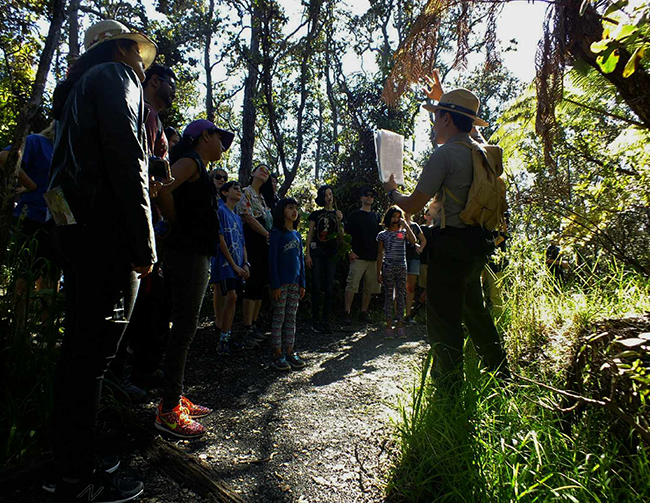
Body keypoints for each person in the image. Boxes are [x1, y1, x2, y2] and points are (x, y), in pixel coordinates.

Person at [47, 19, 158, 502]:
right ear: (121, 49)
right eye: (136, 51)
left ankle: (70, 462)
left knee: (78, 356)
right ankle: (78, 481)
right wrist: (145, 244)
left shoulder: (74, 91)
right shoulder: (116, 79)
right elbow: (127, 158)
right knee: (92, 359)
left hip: (76, 233)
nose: (142, 62)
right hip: (105, 236)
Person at [381, 83, 509, 388]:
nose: (433, 123)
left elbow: (412, 204)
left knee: (443, 322)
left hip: (450, 246)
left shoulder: (445, 155)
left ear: (448, 120)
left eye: (437, 116)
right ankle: (501, 375)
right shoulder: (481, 152)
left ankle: (448, 391)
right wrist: (443, 100)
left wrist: (391, 191)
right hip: (478, 244)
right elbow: (468, 131)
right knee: (474, 312)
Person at [155, 119, 234, 438]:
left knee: (183, 327)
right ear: (204, 136)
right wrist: (177, 223)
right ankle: (168, 409)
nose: (223, 146)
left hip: (193, 252)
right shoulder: (189, 161)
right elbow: (160, 191)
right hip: (187, 252)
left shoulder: (196, 163)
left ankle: (174, 396)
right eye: (220, 139)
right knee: (185, 328)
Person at [1, 122, 59, 328]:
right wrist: (30, 185)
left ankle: (45, 329)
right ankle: (18, 328)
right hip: (31, 217)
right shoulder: (38, 142)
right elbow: (6, 156)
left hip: (57, 220)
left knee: (51, 276)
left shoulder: (67, 149)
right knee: (27, 273)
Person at [210, 181, 250, 355]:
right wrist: (233, 265)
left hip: (239, 265)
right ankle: (222, 339)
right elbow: (220, 240)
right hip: (226, 264)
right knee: (231, 296)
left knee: (234, 299)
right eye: (235, 188)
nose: (238, 191)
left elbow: (242, 243)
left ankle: (227, 336)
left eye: (240, 189)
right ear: (225, 192)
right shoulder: (220, 212)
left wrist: (246, 264)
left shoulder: (238, 218)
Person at [236, 164, 273, 347]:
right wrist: (267, 234)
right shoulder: (245, 192)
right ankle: (247, 327)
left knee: (259, 284)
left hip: (264, 245)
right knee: (251, 284)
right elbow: (248, 218)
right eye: (261, 169)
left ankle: (256, 323)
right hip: (251, 241)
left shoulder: (263, 198)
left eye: (267, 171)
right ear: (252, 173)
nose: (264, 172)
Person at [268, 198, 306, 370]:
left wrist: (302, 283)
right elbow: (272, 261)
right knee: (279, 317)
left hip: (294, 284)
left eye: (296, 208)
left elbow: (301, 262)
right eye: (290, 207)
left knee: (291, 317)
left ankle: (290, 351)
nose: (294, 211)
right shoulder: (277, 234)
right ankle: (277, 353)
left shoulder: (297, 235)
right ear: (282, 210)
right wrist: (275, 285)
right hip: (281, 284)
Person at [306, 185, 343, 334]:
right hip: (317, 252)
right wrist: (307, 253)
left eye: (331, 194)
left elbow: (341, 237)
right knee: (316, 285)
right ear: (322, 197)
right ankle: (315, 320)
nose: (330, 197)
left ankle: (325, 320)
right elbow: (310, 234)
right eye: (327, 194)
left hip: (331, 253)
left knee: (328, 287)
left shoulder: (337, 214)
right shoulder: (315, 214)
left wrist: (340, 220)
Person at [376, 206, 417, 339]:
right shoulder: (383, 234)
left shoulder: (403, 232)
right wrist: (379, 272)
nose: (395, 219)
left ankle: (400, 326)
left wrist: (405, 224)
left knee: (400, 296)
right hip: (388, 267)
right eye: (393, 216)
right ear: (388, 218)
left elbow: (413, 240)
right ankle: (388, 327)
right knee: (388, 296)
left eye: (398, 216)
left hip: (401, 267)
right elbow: (380, 254)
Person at [343, 187, 381, 323]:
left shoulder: (377, 217)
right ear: (361, 198)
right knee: (352, 284)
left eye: (372, 196)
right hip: (357, 256)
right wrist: (349, 251)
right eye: (366, 195)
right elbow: (345, 235)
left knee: (369, 287)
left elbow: (381, 238)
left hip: (373, 257)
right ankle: (347, 312)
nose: (369, 197)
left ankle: (363, 313)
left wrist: (380, 257)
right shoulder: (354, 215)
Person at [404, 211, 426, 324]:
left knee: (410, 288)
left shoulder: (415, 226)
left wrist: (420, 248)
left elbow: (423, 240)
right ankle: (397, 315)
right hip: (399, 258)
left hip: (413, 258)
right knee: (398, 287)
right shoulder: (396, 223)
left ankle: (408, 315)